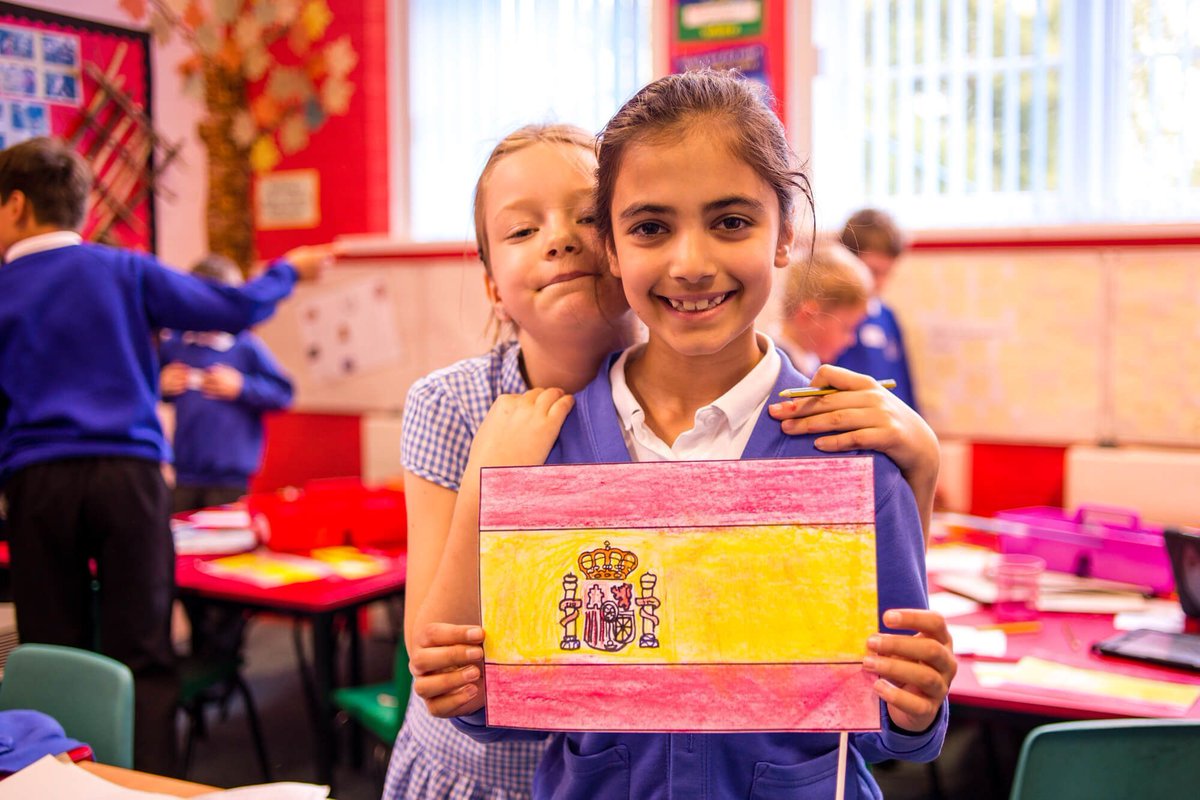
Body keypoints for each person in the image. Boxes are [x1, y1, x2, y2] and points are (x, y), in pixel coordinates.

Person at [410, 72, 955, 799]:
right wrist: (471, 687)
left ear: (786, 233)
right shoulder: (551, 445)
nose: (691, 263)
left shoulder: (847, 445)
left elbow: (894, 723)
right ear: (609, 247)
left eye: (731, 221)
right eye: (650, 228)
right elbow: (505, 702)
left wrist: (917, 704)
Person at [0, 136, 330, 776]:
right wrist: (291, 268)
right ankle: (148, 782)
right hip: (130, 478)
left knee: (52, 648)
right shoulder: (124, 270)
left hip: (37, 483)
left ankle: (59, 779)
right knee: (145, 650)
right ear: (81, 209)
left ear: (15, 206)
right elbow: (237, 307)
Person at [160, 253, 294, 514]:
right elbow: (142, 389)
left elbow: (283, 393)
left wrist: (241, 386)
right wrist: (160, 384)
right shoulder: (176, 346)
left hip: (231, 474)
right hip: (185, 472)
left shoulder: (245, 348)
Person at [834, 208, 921, 411]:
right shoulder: (831, 317)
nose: (879, 282)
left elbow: (905, 385)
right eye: (872, 271)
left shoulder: (887, 316)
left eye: (887, 273)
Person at [777, 240, 874, 377]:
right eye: (846, 328)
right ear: (807, 315)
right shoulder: (776, 370)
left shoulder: (810, 363)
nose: (851, 340)